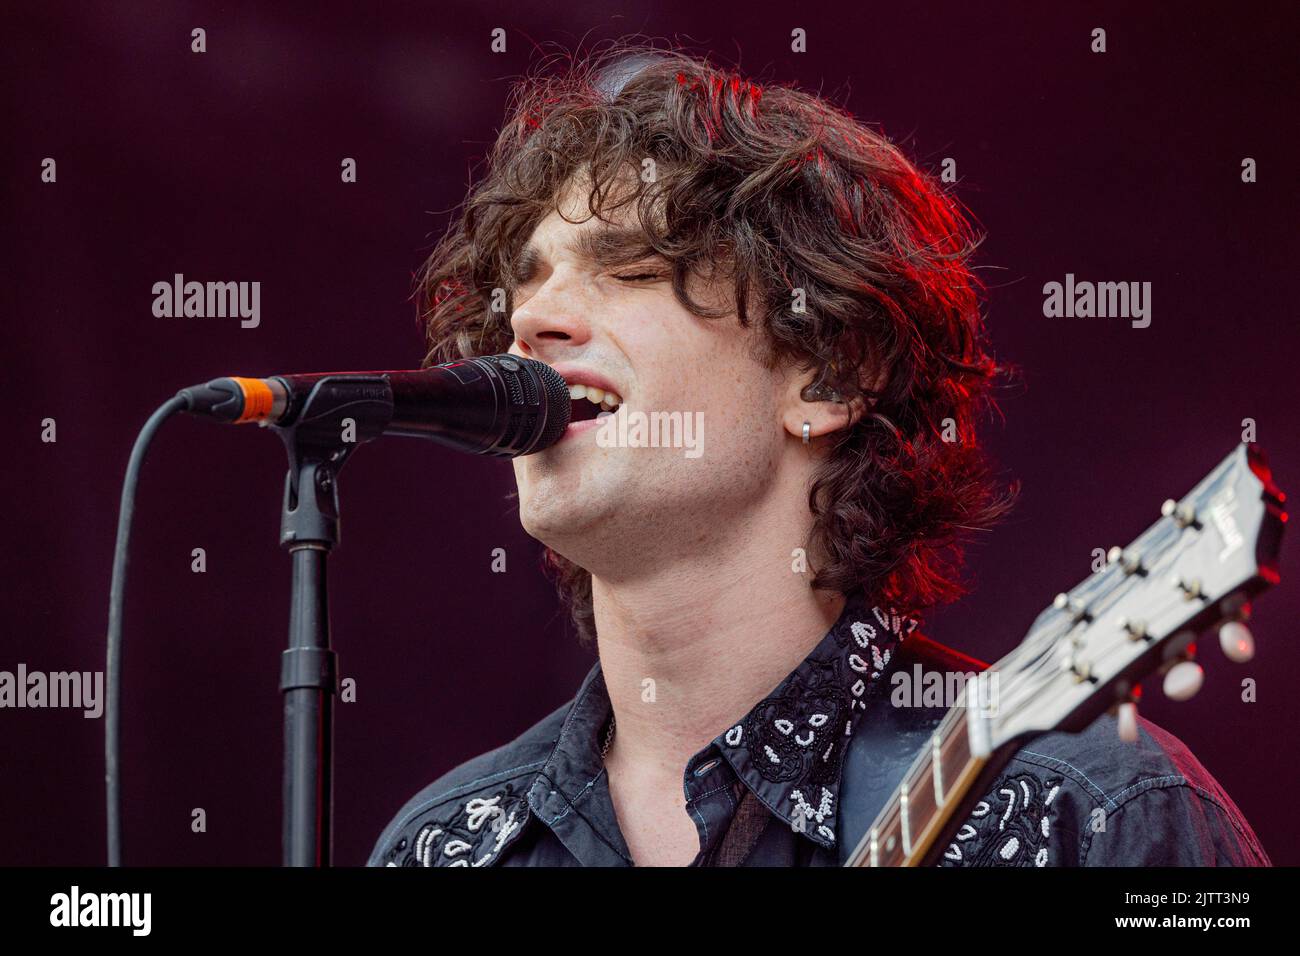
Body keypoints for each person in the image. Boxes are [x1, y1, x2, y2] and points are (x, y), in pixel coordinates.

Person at [368, 45, 1269, 867]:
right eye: (523, 286)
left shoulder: (1093, 813)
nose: (528, 322)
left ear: (829, 378)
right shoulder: (448, 845)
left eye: (632, 270)